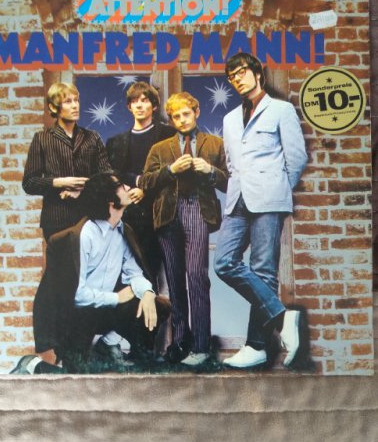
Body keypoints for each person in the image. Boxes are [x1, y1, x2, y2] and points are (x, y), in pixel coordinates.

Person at [10, 173, 171, 375]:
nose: (128, 187)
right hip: (78, 317)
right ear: (110, 201)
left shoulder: (123, 230)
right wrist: (117, 297)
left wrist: (147, 292)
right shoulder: (81, 237)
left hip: (107, 310)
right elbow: (76, 294)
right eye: (120, 185)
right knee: (79, 377)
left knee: (159, 305)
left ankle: (108, 345)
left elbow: (133, 272)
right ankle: (32, 365)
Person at [214, 52, 308, 369]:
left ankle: (256, 346)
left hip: (269, 198)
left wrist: (277, 189)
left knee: (263, 270)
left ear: (257, 74)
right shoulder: (229, 119)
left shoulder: (281, 109)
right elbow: (231, 163)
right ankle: (283, 316)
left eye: (242, 72)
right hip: (237, 199)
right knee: (224, 262)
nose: (237, 79)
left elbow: (296, 158)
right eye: (231, 77)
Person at [143, 92, 228, 366]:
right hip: (168, 215)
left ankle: (201, 347)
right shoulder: (160, 148)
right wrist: (170, 170)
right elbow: (145, 182)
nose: (181, 120)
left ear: (197, 112)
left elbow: (230, 181)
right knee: (175, 280)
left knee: (197, 276)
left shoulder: (214, 144)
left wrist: (210, 170)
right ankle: (180, 343)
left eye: (186, 114)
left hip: (197, 211)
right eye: (176, 116)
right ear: (171, 119)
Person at [22, 82, 111, 242]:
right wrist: (59, 182)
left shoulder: (92, 137)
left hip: (90, 217)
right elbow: (29, 183)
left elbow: (107, 178)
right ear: (53, 107)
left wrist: (84, 188)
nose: (75, 106)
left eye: (76, 100)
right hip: (57, 219)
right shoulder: (42, 139)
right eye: (68, 101)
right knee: (60, 259)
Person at [106, 81, 175, 282]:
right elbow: (111, 172)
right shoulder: (115, 142)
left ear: (154, 106)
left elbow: (172, 170)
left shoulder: (168, 135)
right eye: (134, 101)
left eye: (144, 100)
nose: (139, 105)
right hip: (128, 213)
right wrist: (132, 185)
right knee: (129, 272)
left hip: (160, 212)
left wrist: (145, 189)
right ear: (129, 107)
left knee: (158, 274)